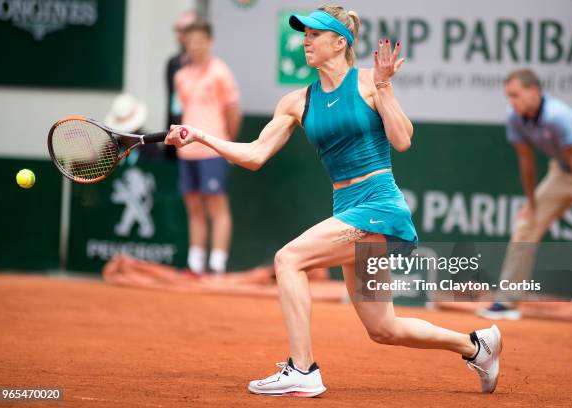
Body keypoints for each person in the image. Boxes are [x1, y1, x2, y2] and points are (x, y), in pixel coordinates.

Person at [166, 4, 502, 397]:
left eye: (313, 35)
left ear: (338, 42)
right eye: (303, 35)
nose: (305, 41)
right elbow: (255, 155)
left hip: (378, 205)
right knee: (383, 328)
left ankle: (302, 369)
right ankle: (477, 347)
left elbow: (403, 139)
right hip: (346, 209)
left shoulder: (367, 83)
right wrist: (202, 136)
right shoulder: (296, 101)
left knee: (288, 260)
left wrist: (384, 86)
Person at [477, 68, 572, 328]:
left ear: (534, 92)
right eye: (508, 97)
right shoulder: (515, 117)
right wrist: (532, 205)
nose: (511, 102)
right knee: (526, 225)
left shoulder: (557, 116)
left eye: (515, 95)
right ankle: (507, 302)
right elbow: (527, 161)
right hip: (561, 172)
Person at [174, 20, 241, 275]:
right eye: (190, 41)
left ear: (210, 42)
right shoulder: (181, 76)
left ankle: (217, 264)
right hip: (186, 151)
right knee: (193, 207)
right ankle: (196, 262)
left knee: (217, 207)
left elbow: (233, 112)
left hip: (213, 150)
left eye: (199, 41)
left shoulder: (220, 73)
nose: (194, 46)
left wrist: (227, 145)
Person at [164, 9, 200, 160]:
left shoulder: (206, 66)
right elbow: (172, 102)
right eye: (177, 30)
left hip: (198, 142)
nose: (179, 36)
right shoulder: (172, 63)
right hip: (174, 139)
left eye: (183, 31)